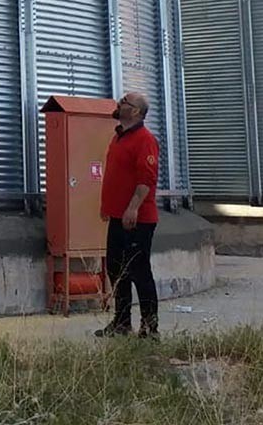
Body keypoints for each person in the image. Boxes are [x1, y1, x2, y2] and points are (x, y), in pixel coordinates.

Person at [96, 91, 161, 340]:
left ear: (136, 112)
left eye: (126, 102)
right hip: (117, 217)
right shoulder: (119, 137)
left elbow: (147, 180)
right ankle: (122, 322)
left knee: (139, 270)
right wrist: (108, 207)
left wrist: (133, 207)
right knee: (116, 268)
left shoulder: (145, 140)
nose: (120, 102)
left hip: (138, 219)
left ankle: (150, 327)